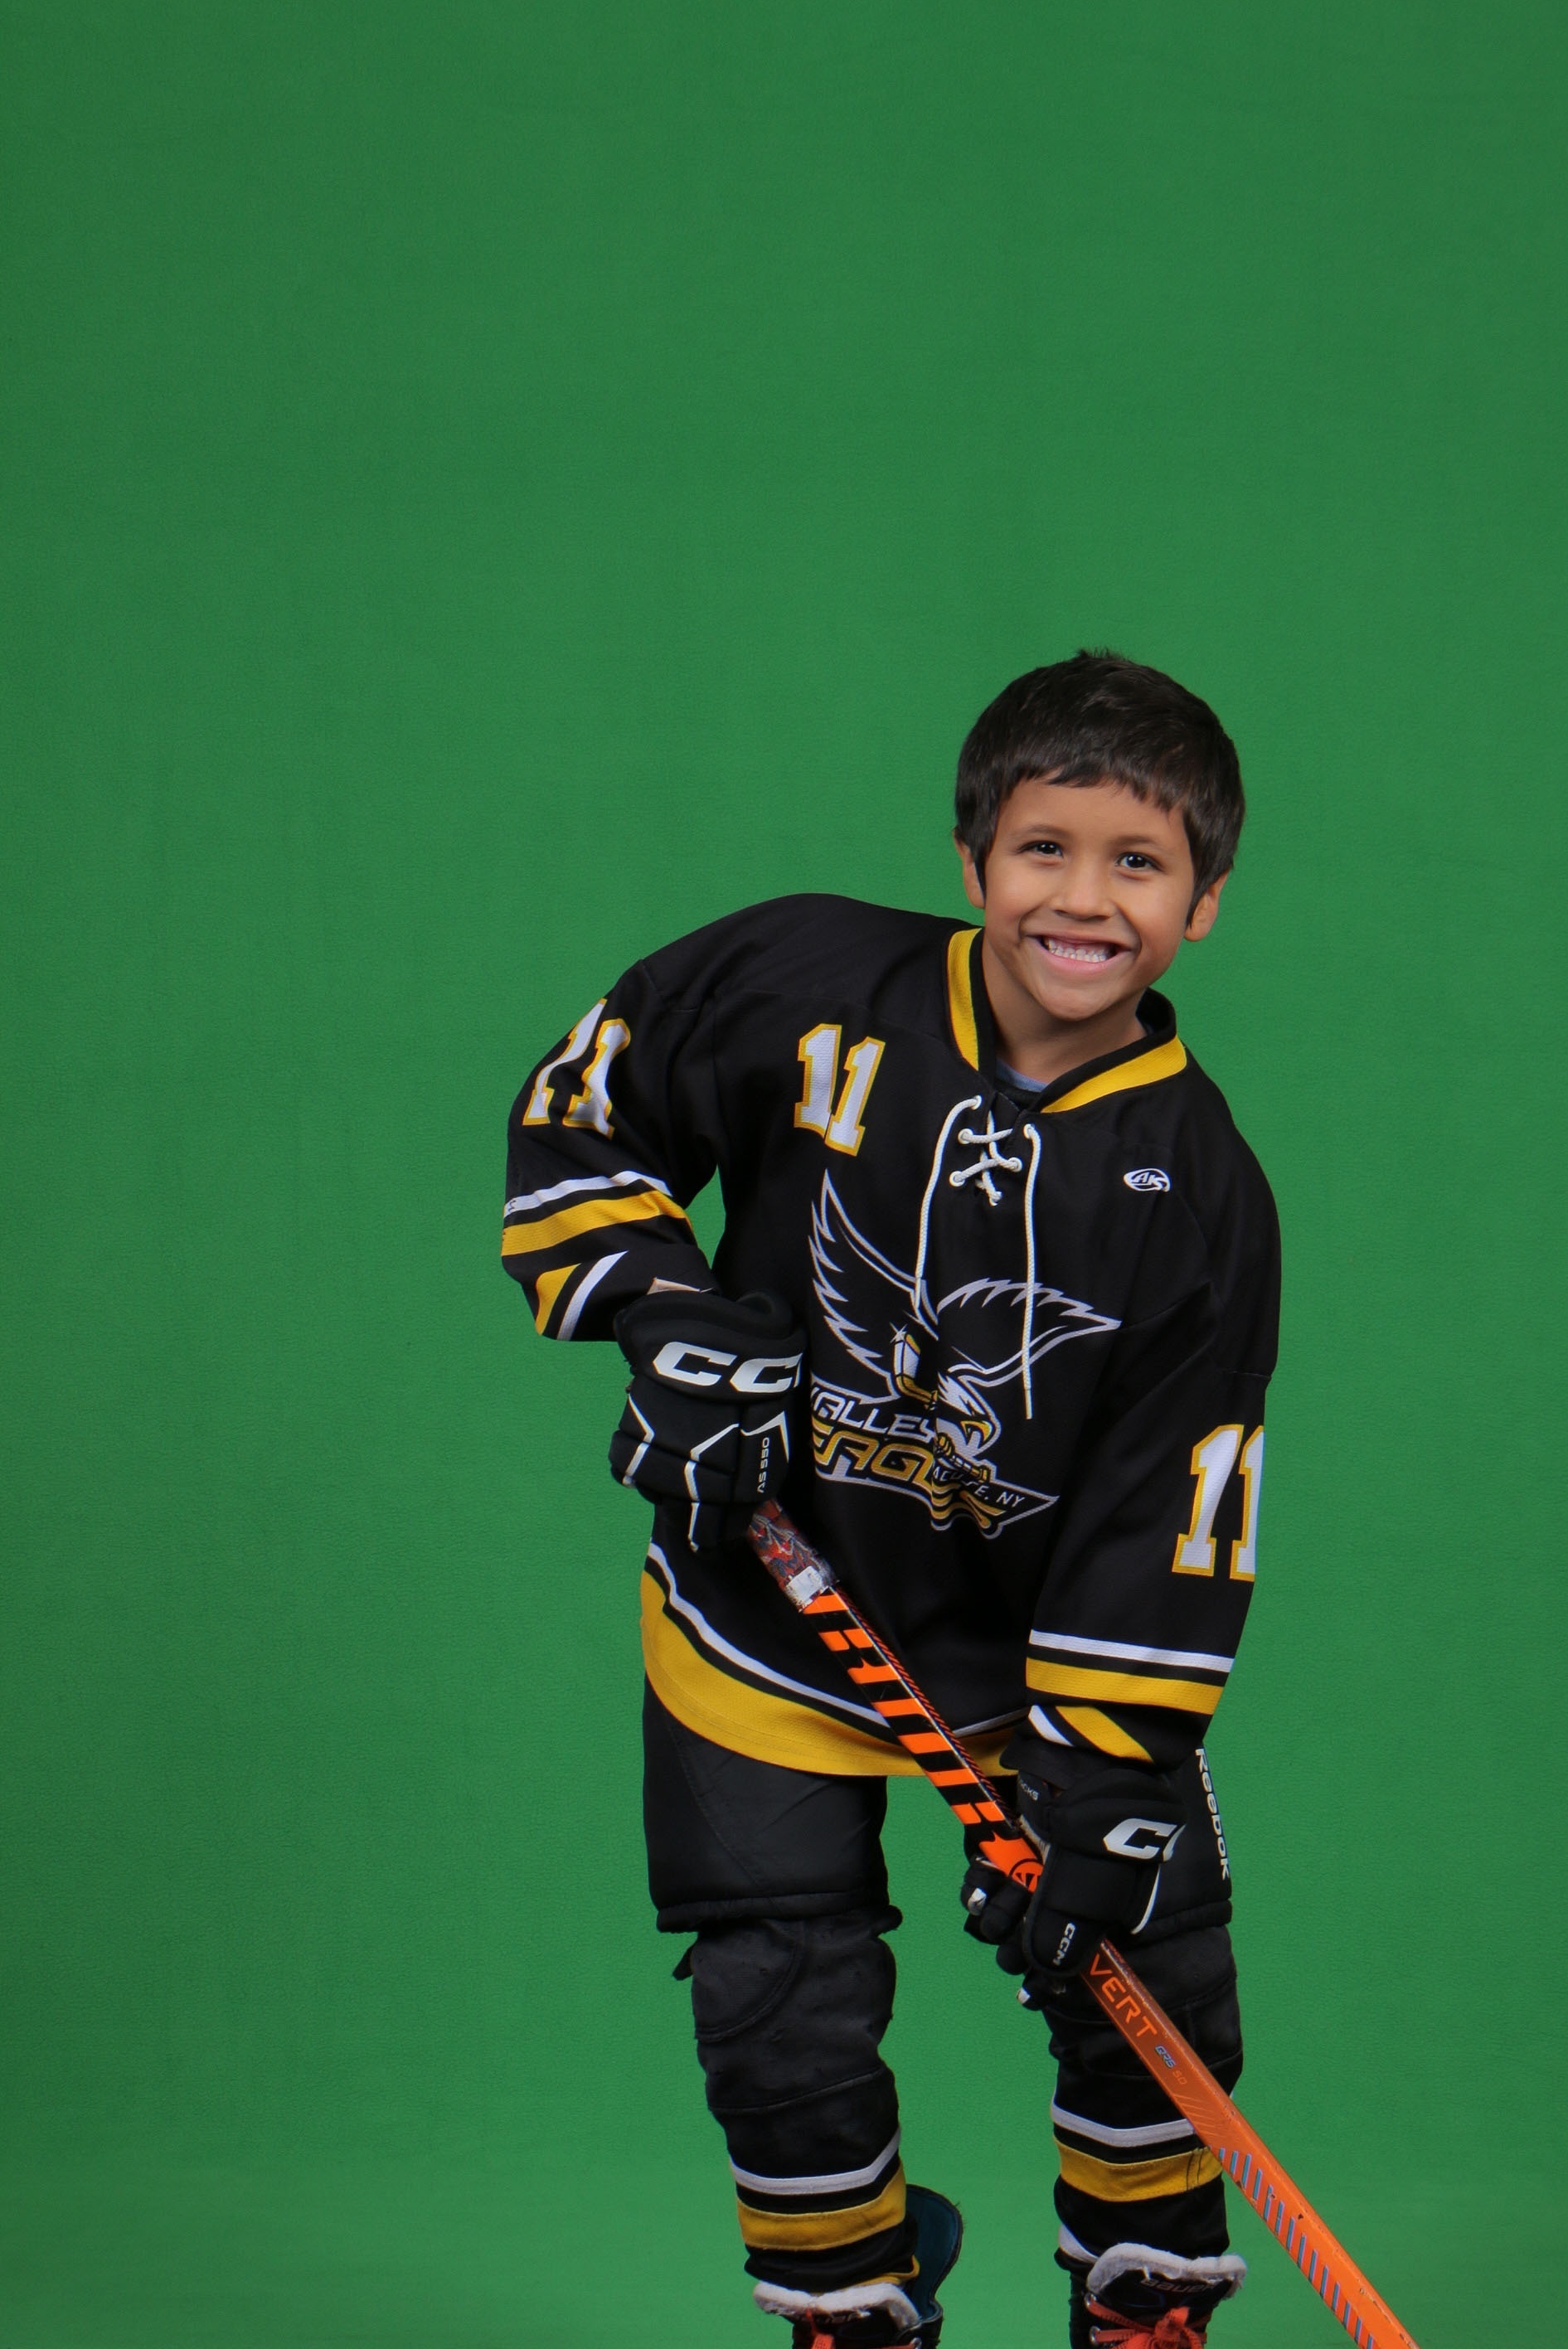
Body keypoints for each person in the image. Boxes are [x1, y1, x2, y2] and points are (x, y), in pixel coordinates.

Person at [502, 653, 1279, 2349]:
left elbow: (1170, 1507)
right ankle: (847, 2305)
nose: (1083, 899)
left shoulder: (1201, 1192)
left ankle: (1142, 2300)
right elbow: (586, 1111)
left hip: (1029, 1662)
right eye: (1044, 848)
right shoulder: (801, 978)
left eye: (1138, 863)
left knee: (1143, 1979)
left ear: (1203, 902)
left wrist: (1100, 1782)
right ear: (971, 857)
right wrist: (662, 1312)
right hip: (766, 1613)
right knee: (777, 1998)